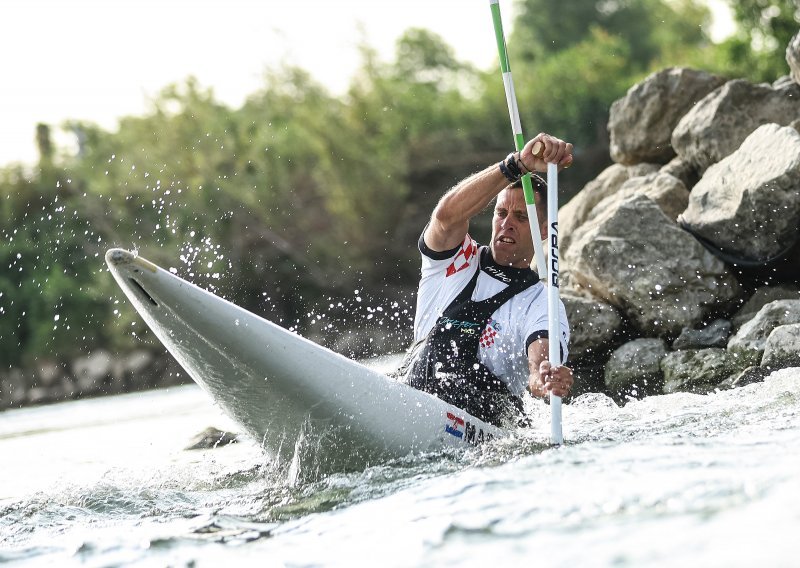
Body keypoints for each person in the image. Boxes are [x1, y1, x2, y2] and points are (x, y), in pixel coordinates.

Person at [401, 133, 574, 427]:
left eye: (521, 217)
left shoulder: (542, 302)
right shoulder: (454, 259)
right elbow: (445, 216)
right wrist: (517, 164)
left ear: (543, 230)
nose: (506, 223)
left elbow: (539, 363)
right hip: (409, 397)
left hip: (480, 429)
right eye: (501, 213)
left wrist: (544, 376)